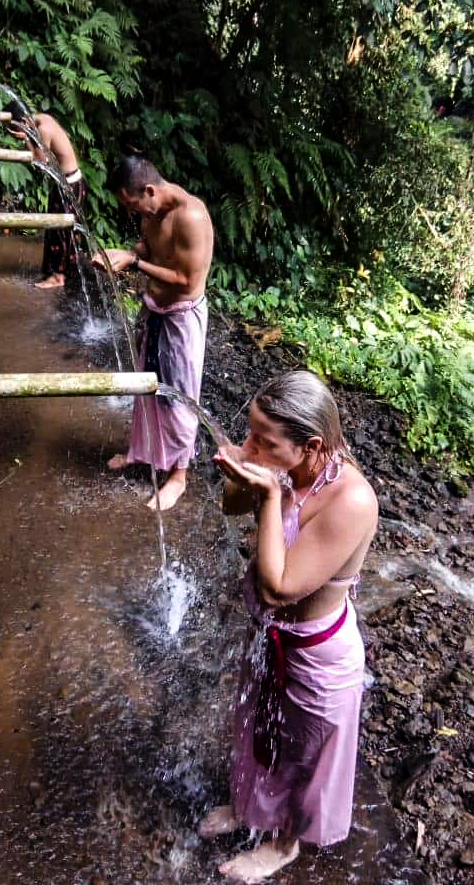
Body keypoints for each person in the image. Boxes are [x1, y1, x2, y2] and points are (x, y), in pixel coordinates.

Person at [201, 370, 378, 883]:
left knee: (303, 755)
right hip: (267, 634)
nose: (252, 445)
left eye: (264, 441)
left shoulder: (352, 500)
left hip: (316, 653)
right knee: (256, 725)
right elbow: (233, 506)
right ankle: (248, 807)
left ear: (312, 445)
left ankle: (283, 845)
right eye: (250, 433)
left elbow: (280, 587)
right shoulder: (284, 465)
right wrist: (243, 471)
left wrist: (273, 496)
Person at [93, 155, 213, 511]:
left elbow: (186, 280)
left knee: (178, 397)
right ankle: (143, 452)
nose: (134, 213)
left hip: (181, 318)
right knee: (146, 386)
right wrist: (128, 253)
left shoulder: (190, 217)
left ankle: (179, 476)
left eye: (133, 205)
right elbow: (150, 247)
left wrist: (134, 264)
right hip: (154, 309)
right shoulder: (152, 211)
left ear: (149, 190)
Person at [6, 101, 86, 289]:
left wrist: (26, 136)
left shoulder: (42, 129)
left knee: (60, 232)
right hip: (68, 182)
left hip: (69, 185)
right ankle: (61, 272)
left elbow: (41, 162)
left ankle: (58, 277)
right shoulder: (42, 118)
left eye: (14, 128)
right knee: (59, 230)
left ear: (23, 120)